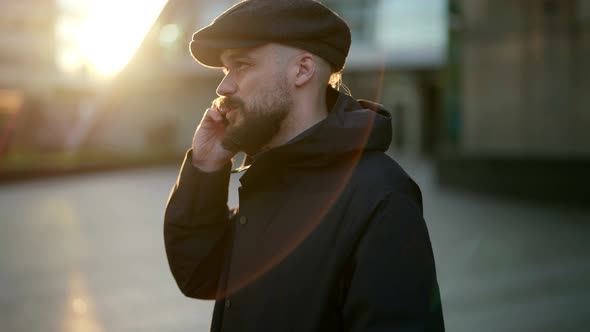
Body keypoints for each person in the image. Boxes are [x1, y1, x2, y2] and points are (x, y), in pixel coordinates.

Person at [164, 0, 445, 331]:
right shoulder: (268, 175)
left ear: (302, 70)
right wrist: (205, 168)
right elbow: (199, 275)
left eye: (241, 65)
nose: (223, 87)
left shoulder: (380, 196)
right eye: (226, 70)